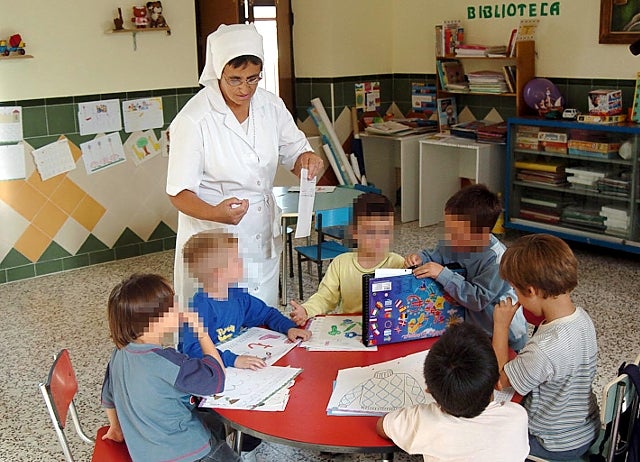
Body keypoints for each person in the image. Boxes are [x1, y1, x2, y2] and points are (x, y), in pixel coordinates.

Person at [166, 23, 324, 308]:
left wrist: (307, 159)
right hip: (213, 245)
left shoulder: (270, 106)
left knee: (261, 313)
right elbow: (178, 193)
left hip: (261, 233)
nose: (244, 88)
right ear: (218, 73)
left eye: (253, 79)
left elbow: (295, 152)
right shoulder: (194, 120)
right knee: (217, 321)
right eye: (235, 79)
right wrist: (216, 213)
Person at [100, 274, 239, 462]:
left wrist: (116, 428)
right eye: (173, 304)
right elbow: (217, 379)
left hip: (147, 454)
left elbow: (108, 396)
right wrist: (202, 333)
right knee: (222, 435)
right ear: (153, 321)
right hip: (188, 453)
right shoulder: (167, 361)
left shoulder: (119, 353)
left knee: (213, 422)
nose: (179, 308)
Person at [493, 233, 600, 460]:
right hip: (585, 429)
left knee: (483, 431)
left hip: (551, 441)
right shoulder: (583, 319)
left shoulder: (544, 349)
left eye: (516, 291)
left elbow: (500, 382)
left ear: (531, 291)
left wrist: (501, 326)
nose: (517, 298)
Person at [376, 322, 529, 461]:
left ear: (429, 391)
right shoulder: (517, 416)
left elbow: (382, 426)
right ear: (498, 384)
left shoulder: (423, 421)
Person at [405, 184, 528, 350]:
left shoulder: (498, 260)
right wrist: (420, 258)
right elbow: (435, 255)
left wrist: (442, 273)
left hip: (503, 336)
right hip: (473, 330)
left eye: (456, 233)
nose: (449, 237)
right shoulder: (453, 242)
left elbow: (477, 299)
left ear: (481, 234)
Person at [178, 229, 311, 368]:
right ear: (219, 273)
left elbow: (267, 314)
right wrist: (233, 360)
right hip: (205, 371)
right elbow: (192, 350)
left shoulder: (238, 297)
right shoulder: (199, 309)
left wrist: (289, 328)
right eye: (236, 260)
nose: (242, 263)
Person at [289, 192, 404, 327]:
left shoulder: (398, 263)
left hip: (385, 328)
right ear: (355, 232)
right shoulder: (340, 263)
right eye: (370, 232)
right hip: (349, 327)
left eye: (385, 232)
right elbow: (325, 298)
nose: (379, 239)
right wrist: (306, 310)